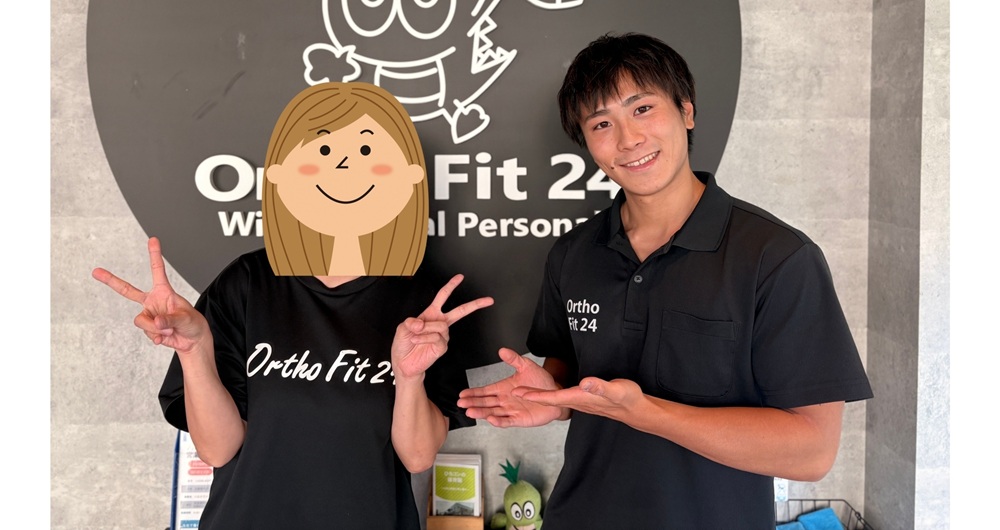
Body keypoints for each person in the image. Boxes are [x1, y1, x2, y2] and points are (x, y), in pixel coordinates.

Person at [458, 32, 874, 528]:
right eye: (602, 123)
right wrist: (554, 399)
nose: (628, 139)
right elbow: (572, 375)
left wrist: (649, 413)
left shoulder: (778, 258)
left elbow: (812, 451)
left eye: (643, 109)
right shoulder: (573, 254)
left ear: (686, 111)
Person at [93, 81, 494, 529]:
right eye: (323, 151)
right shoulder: (246, 284)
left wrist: (410, 377)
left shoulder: (423, 304)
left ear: (408, 177)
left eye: (366, 151)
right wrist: (195, 350)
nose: (344, 166)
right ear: (281, 175)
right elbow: (218, 450)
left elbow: (417, 457)